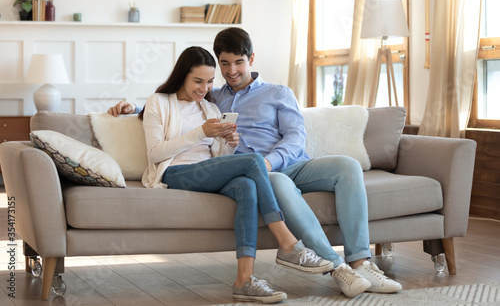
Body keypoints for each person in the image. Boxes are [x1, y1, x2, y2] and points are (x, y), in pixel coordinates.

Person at [108, 29, 403, 298]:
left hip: (287, 164)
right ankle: (337, 268)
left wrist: (269, 161)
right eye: (224, 64)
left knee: (348, 166)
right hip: (260, 174)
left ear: (251, 58)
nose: (231, 71)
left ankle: (361, 262)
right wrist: (134, 108)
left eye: (238, 62)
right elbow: (175, 102)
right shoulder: (212, 97)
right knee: (266, 178)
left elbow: (295, 137)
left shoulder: (277, 93)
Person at [138, 46, 334, 304]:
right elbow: (154, 153)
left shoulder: (209, 109)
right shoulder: (159, 102)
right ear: (182, 75)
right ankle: (288, 244)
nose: (204, 88)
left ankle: (244, 279)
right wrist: (201, 133)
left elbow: (218, 159)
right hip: (175, 172)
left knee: (246, 186)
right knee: (253, 161)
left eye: (209, 82)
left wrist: (229, 142)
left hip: (206, 172)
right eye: (197, 81)